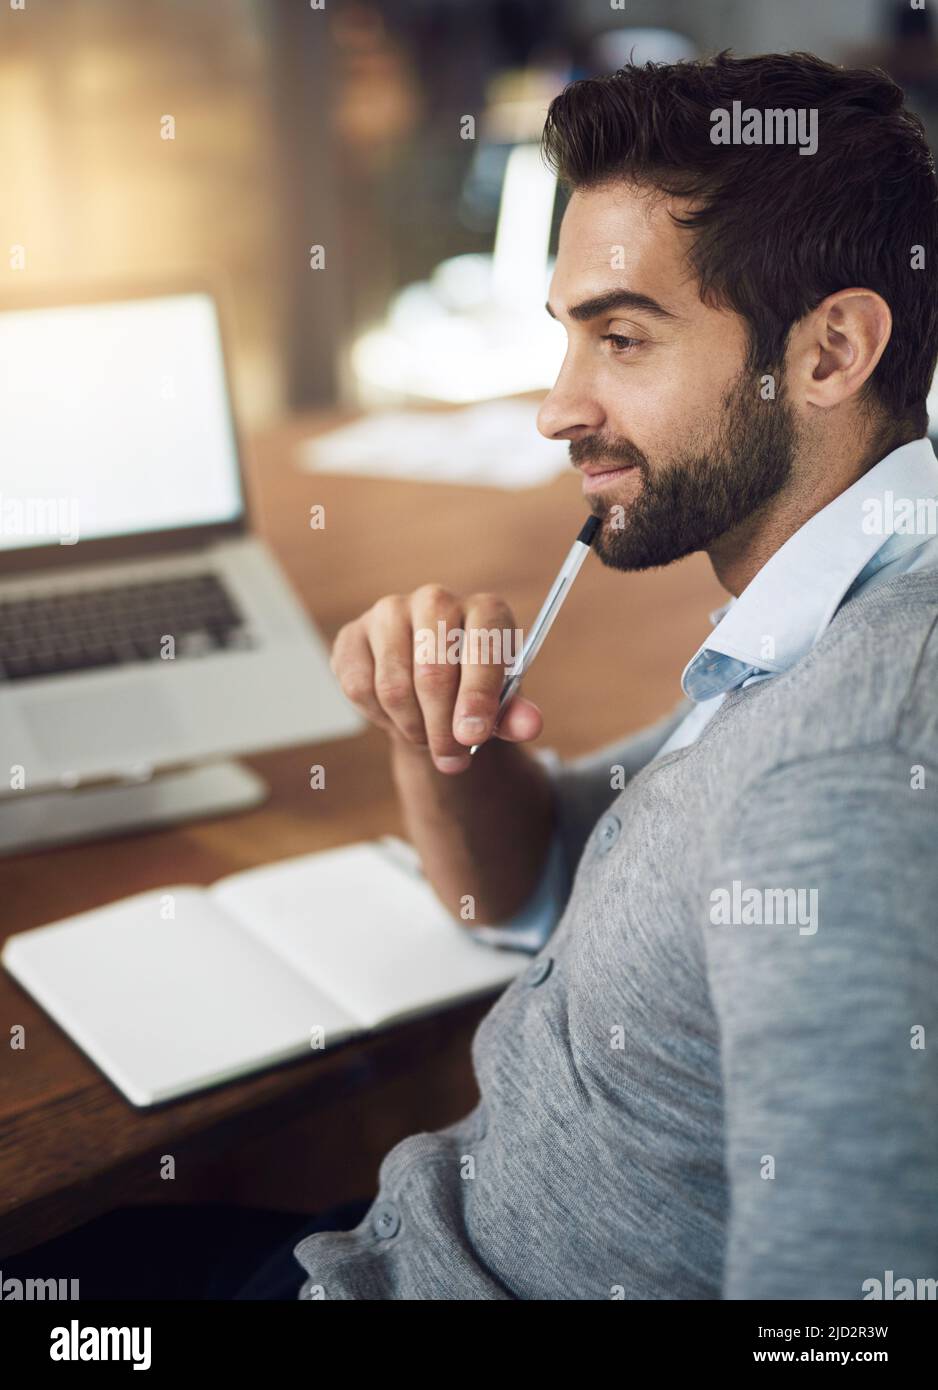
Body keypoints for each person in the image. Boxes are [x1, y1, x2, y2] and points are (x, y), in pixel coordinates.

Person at [8, 49, 938, 1300]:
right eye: (565, 339)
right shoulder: (810, 622)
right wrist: (435, 723)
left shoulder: (850, 763)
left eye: (621, 337)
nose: (556, 409)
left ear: (829, 352)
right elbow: (536, 877)